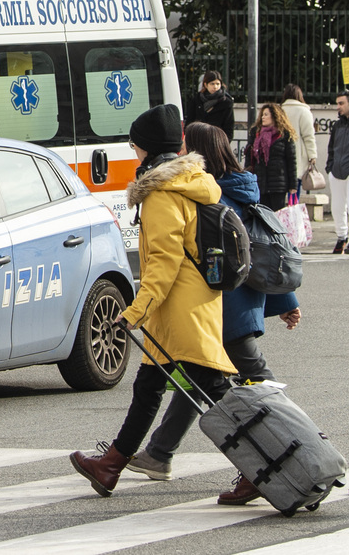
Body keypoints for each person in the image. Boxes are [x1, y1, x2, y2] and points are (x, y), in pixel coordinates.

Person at [126, 122, 302, 504]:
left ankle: (292, 446)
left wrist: (138, 310)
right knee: (200, 383)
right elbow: (267, 249)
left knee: (252, 391)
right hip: (229, 309)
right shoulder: (228, 189)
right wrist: (286, 301)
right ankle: (158, 452)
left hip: (224, 313)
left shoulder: (209, 195)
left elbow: (253, 252)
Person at [69, 104, 236, 499]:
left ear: (147, 149)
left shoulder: (162, 194)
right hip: (185, 307)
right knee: (148, 389)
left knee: (218, 397)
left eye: (135, 146)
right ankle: (111, 465)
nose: (133, 153)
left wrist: (133, 313)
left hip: (179, 311)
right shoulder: (191, 181)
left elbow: (163, 262)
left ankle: (260, 466)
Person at [244, 102, 298, 212]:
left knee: (278, 214)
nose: (263, 117)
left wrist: (293, 185)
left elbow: (291, 160)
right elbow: (250, 157)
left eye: (266, 114)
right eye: (262, 114)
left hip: (278, 183)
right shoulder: (256, 133)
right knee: (263, 214)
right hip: (260, 181)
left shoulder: (284, 135)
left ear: (275, 116)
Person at [327, 89, 349, 255]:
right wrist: (330, 166)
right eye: (337, 103)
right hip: (337, 170)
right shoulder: (337, 125)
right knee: (337, 207)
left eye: (341, 103)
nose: (338, 107)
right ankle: (341, 237)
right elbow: (331, 147)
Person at [280, 84, 318, 195]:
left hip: (280, 154)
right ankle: (293, 207)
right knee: (295, 186)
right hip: (298, 155)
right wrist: (312, 155)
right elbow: (308, 135)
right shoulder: (303, 111)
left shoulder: (280, 110)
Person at [184, 70, 235, 140]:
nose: (215, 87)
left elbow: (229, 127)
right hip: (198, 140)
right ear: (205, 84)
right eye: (212, 84)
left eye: (218, 84)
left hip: (216, 141)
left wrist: (222, 144)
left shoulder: (226, 102)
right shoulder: (197, 100)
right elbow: (189, 122)